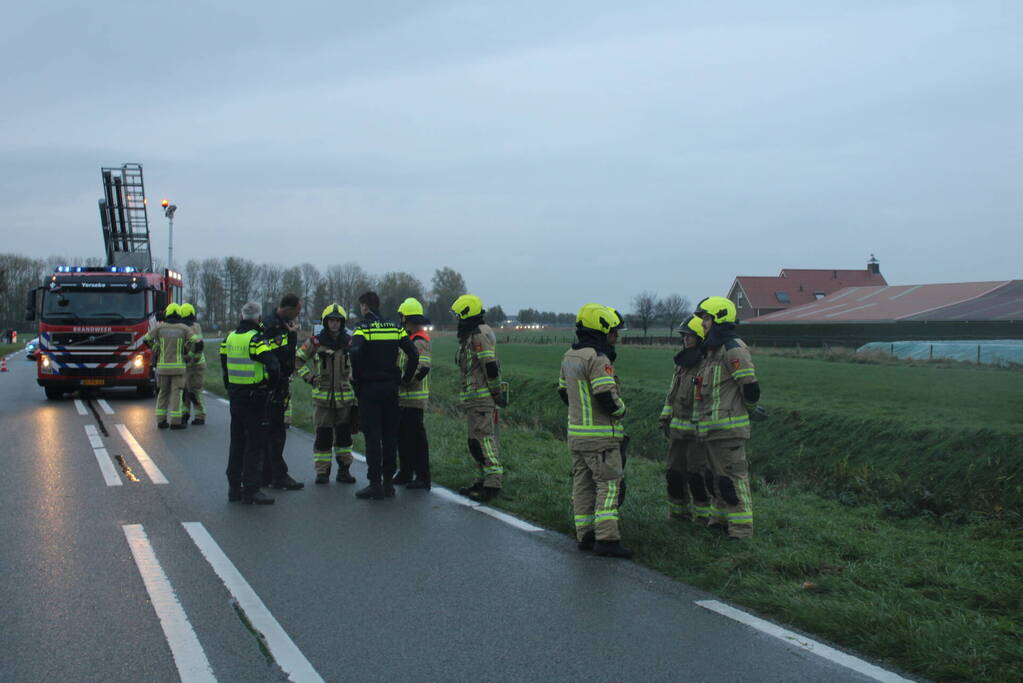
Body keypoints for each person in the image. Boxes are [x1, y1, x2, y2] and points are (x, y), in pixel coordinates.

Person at [558, 304, 631, 558]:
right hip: (601, 438)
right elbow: (605, 397)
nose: (616, 337)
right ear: (601, 330)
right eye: (613, 332)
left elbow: (562, 392)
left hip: (576, 436)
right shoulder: (598, 358)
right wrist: (622, 411)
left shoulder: (570, 356)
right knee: (608, 486)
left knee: (582, 485)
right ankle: (607, 540)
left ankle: (585, 534)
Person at [693, 296, 763, 539]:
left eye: (706, 318)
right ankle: (720, 520)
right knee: (716, 478)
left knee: (733, 479)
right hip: (712, 430)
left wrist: (744, 409)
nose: (702, 323)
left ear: (719, 318)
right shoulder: (713, 351)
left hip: (729, 429)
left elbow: (750, 388)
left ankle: (741, 530)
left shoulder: (733, 348)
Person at [348, 291, 419, 500]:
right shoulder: (395, 327)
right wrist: (405, 378)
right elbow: (413, 353)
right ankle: (389, 484)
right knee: (389, 438)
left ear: (364, 306)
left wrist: (357, 376)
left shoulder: (363, 328)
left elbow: (353, 351)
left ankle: (375, 484)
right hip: (391, 388)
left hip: (369, 389)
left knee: (372, 438)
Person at [220, 301, 280, 505]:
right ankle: (252, 489)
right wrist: (270, 387)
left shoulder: (229, 338)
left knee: (236, 444)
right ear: (259, 318)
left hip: (236, 397)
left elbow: (224, 366)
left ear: (241, 316)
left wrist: (230, 386)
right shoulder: (256, 339)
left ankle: (234, 489)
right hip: (255, 398)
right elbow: (273, 365)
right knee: (255, 444)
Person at [295, 304, 358, 485]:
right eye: (331, 320)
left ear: (342, 323)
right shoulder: (315, 342)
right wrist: (308, 377)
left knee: (345, 439)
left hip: (345, 401)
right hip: (322, 402)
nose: (334, 324)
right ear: (325, 322)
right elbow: (297, 360)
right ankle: (322, 473)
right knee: (323, 438)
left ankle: (344, 471)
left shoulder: (351, 342)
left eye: (338, 321)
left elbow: (360, 363)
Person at [451, 294, 505, 502]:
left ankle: (492, 482)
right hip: (474, 399)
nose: (458, 321)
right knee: (475, 442)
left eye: (459, 316)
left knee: (484, 440)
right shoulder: (473, 334)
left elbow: (489, 366)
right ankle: (481, 479)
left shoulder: (479, 335)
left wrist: (496, 392)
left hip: (481, 399)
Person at [660, 314, 712, 523]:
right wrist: (664, 419)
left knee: (696, 476)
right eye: (683, 336)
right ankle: (678, 514)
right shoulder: (681, 364)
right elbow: (671, 395)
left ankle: (703, 517)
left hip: (698, 434)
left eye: (689, 336)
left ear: (699, 337)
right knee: (673, 474)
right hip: (677, 432)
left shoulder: (706, 365)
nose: (685, 339)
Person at [260, 293, 305, 491]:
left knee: (274, 431)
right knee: (275, 432)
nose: (297, 316)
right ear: (288, 309)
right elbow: (273, 356)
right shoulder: (270, 325)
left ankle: (269, 474)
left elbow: (288, 354)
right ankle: (276, 475)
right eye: (297, 311)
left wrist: (292, 334)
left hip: (279, 384)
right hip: (271, 386)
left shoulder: (283, 326)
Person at [393, 297, 432, 490]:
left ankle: (423, 477)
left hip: (413, 399)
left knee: (416, 440)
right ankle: (406, 472)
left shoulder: (419, 340)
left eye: (402, 317)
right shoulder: (409, 338)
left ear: (406, 318)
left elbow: (423, 367)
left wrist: (405, 381)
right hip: (403, 398)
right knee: (403, 437)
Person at [142, 302, 201, 430]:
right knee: (176, 394)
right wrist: (189, 355)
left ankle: (161, 421)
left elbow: (146, 339)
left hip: (162, 368)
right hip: (178, 368)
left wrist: (156, 348)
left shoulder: (160, 328)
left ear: (167, 313)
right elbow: (197, 342)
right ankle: (175, 422)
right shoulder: (184, 328)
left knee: (163, 393)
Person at [179, 302, 207, 426]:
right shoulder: (195, 326)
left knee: (193, 391)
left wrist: (189, 358)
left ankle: (199, 416)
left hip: (194, 365)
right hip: (192, 364)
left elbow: (197, 347)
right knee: (187, 391)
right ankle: (185, 414)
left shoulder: (190, 328)